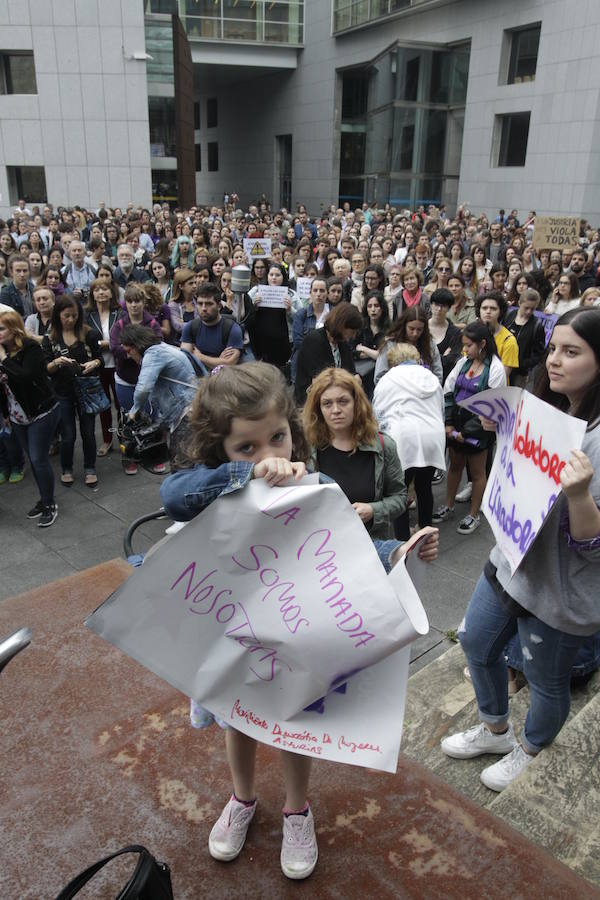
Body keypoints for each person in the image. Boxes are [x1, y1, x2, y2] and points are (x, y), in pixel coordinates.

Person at [159, 362, 439, 881]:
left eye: (278, 438)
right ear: (219, 448)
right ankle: (242, 799)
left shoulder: (316, 483)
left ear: (293, 430)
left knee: (293, 724)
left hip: (293, 634)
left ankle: (296, 809)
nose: (270, 455)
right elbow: (172, 494)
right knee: (238, 719)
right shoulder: (214, 486)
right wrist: (244, 475)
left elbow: (348, 547)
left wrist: (398, 549)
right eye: (247, 447)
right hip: (234, 634)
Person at [441, 308, 600, 791]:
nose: (554, 361)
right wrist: (503, 435)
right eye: (554, 348)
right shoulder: (544, 408)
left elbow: (594, 548)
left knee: (546, 681)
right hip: (510, 564)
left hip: (562, 591)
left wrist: (578, 495)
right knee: (475, 641)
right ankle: (495, 731)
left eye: (571, 352)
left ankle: (529, 748)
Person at [304, 366, 408, 540]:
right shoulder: (308, 450)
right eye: (327, 403)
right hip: (324, 550)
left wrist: (373, 510)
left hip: (371, 544)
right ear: (318, 409)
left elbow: (400, 497)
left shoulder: (383, 446)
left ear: (356, 403)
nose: (335, 410)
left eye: (343, 401)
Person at [432, 320, 506, 534]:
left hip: (478, 431)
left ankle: (474, 514)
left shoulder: (496, 369)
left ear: (482, 344)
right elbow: (448, 391)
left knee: (477, 472)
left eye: (468, 345)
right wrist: (449, 423)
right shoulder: (463, 362)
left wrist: (467, 432)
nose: (464, 349)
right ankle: (448, 505)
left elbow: (491, 406)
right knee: (454, 467)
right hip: (456, 426)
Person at [373, 343, 446, 540]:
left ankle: (403, 540)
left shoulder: (387, 379)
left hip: (402, 438)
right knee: (425, 487)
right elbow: (441, 409)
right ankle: (425, 532)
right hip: (432, 436)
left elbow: (376, 413)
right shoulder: (431, 378)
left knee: (399, 492)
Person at [0, 309, 60, 525]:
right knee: (34, 461)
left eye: (1, 329)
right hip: (17, 416)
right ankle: (44, 499)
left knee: (38, 458)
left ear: (14, 328)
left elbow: (25, 376)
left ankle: (50, 503)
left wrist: (4, 359)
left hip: (41, 412)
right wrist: (6, 413)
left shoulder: (30, 348)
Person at [42, 294, 104, 488]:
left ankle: (90, 467)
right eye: (66, 316)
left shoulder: (90, 334)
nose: (70, 320)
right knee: (68, 434)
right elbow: (45, 368)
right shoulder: (50, 339)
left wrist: (94, 362)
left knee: (88, 431)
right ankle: (66, 468)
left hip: (86, 390)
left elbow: (100, 359)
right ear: (57, 315)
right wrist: (57, 362)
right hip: (62, 391)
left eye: (74, 315)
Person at [120, 325, 197, 469]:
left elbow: (143, 388)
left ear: (137, 345)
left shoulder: (154, 354)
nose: (129, 356)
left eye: (129, 351)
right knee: (185, 459)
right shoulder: (161, 347)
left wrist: (134, 410)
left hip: (186, 411)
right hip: (187, 407)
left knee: (181, 463)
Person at [295, 302, 361, 405]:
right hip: (310, 403)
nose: (353, 336)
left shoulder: (343, 344)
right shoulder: (314, 340)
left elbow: (350, 371)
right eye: (352, 331)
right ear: (342, 325)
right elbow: (319, 380)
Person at [86, 278, 122, 456]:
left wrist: (104, 343)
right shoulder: (88, 314)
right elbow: (85, 339)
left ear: (111, 292)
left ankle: (124, 437)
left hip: (118, 364)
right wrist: (106, 343)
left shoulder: (119, 312)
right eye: (97, 289)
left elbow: (123, 337)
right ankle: (108, 440)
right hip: (99, 366)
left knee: (121, 404)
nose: (101, 292)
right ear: (92, 294)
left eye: (105, 289)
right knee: (104, 406)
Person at [181, 282, 243, 373]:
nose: (203, 308)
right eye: (200, 303)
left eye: (209, 304)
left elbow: (229, 364)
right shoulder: (190, 327)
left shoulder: (232, 329)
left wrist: (200, 357)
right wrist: (218, 361)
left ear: (219, 306)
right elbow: (185, 359)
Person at [374, 307, 443, 385]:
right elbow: (379, 376)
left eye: (419, 329)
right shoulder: (390, 344)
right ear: (404, 326)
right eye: (411, 329)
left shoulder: (430, 344)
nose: (415, 333)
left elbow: (438, 374)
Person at [248, 263, 296, 369]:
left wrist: (290, 309)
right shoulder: (256, 291)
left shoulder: (292, 294)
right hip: (260, 341)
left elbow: (299, 317)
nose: (274, 278)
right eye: (271, 275)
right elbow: (245, 313)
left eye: (277, 275)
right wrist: (253, 305)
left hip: (282, 342)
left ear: (283, 277)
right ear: (267, 276)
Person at [504, 289, 547, 388]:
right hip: (502, 366)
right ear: (519, 303)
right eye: (526, 308)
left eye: (532, 309)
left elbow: (539, 353)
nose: (529, 312)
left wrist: (523, 364)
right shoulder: (509, 316)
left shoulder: (537, 325)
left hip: (520, 372)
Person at [476, 292, 519, 381]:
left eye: (493, 309)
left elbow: (502, 376)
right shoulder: (472, 334)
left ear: (500, 312)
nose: (488, 311)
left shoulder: (509, 341)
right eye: (484, 308)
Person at [427, 288, 463, 381]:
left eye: (443, 306)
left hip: (445, 378)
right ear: (431, 304)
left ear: (448, 308)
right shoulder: (421, 328)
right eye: (436, 304)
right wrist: (443, 357)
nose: (439, 309)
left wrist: (431, 359)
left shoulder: (455, 332)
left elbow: (452, 360)